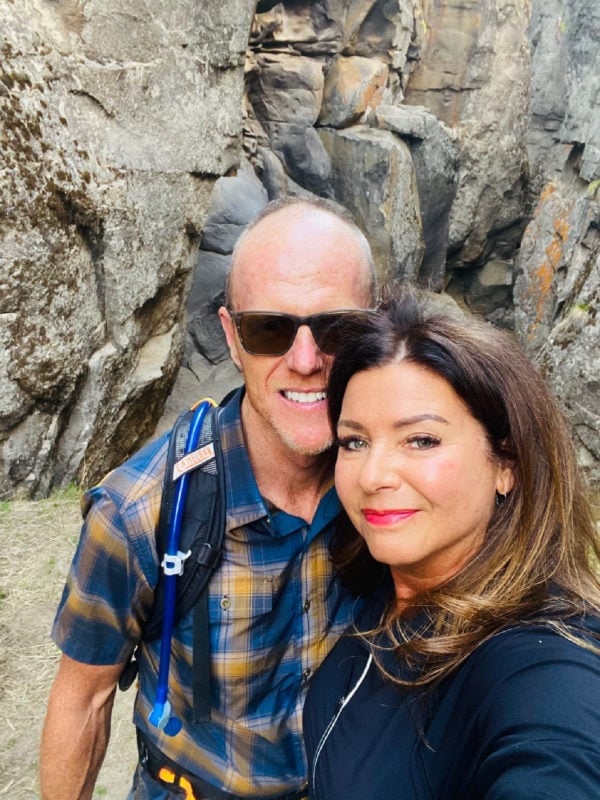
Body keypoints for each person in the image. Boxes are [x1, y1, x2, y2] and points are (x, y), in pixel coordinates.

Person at [40, 196, 377, 800]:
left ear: (374, 328)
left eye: (336, 327)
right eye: (269, 329)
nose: (305, 360)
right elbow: (82, 701)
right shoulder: (140, 514)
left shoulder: (395, 486)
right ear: (231, 336)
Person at [303, 286, 600, 800]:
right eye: (355, 441)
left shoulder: (542, 659)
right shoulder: (386, 587)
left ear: (506, 463)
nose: (373, 475)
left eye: (421, 440)